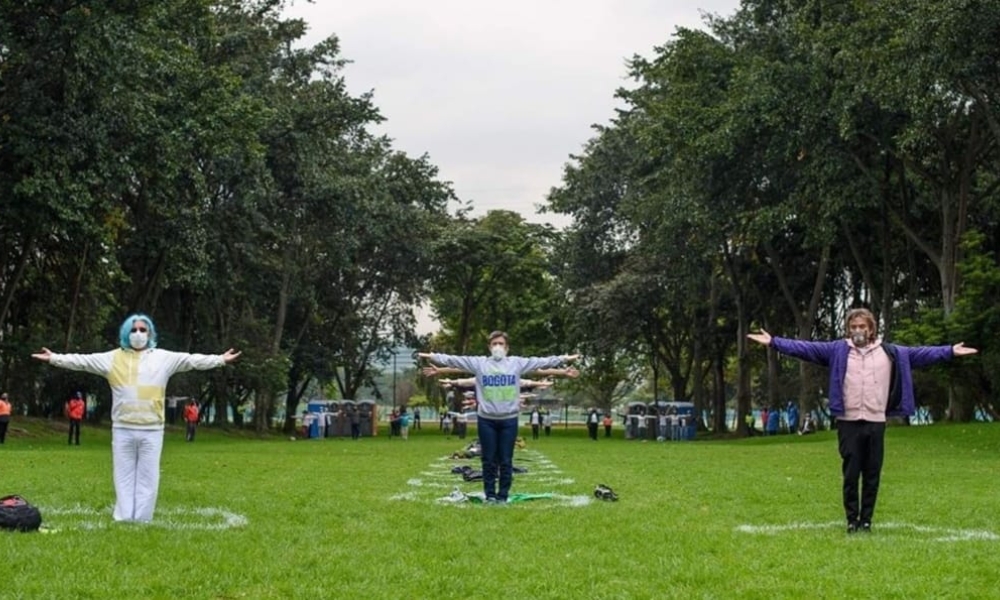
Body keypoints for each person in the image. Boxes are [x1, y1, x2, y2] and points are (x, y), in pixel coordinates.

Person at [748, 307, 977, 534]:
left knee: (872, 473)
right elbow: (805, 349)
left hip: (876, 421)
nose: (858, 330)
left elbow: (923, 354)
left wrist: (950, 351)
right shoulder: (837, 350)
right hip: (848, 422)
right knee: (851, 473)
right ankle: (851, 520)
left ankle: (866, 521)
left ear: (870, 329)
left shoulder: (891, 353)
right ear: (848, 329)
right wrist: (774, 342)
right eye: (853, 326)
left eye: (862, 326)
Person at [31, 313, 240, 523]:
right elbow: (82, 361)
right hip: (122, 429)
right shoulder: (111, 358)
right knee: (123, 476)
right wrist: (54, 358)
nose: (138, 334)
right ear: (125, 333)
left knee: (148, 478)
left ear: (150, 334)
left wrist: (220, 359)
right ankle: (123, 518)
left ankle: (142, 519)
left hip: (153, 429)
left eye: (143, 330)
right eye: (133, 330)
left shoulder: (164, 358)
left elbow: (192, 360)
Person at [418, 330, 579, 504]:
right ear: (489, 347)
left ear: (507, 347)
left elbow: (541, 362)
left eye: (501, 344)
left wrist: (563, 359)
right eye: (494, 344)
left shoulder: (517, 364)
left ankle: (502, 495)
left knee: (505, 460)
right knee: (488, 460)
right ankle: (490, 495)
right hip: (486, 420)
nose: (497, 347)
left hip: (509, 420)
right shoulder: (479, 364)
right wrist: (433, 356)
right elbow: (455, 359)